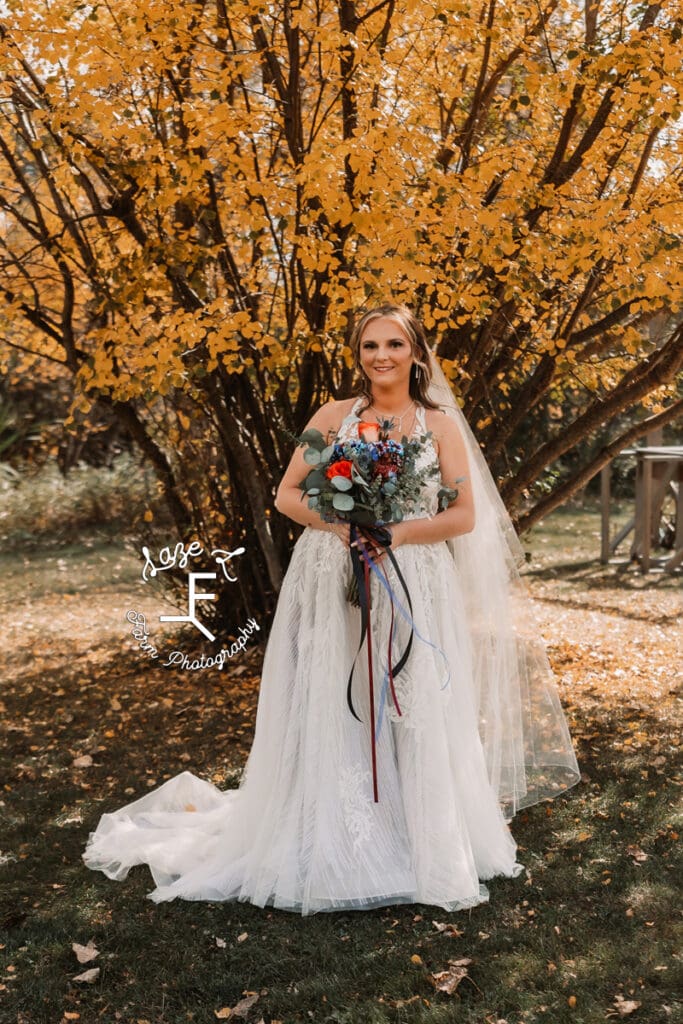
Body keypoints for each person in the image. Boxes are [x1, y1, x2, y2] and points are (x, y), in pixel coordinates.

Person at [82, 302, 580, 915]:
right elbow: (287, 495)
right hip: (331, 571)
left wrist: (392, 532)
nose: (381, 357)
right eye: (370, 346)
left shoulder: (438, 424)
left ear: (416, 353)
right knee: (338, 694)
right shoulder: (334, 417)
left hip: (412, 575)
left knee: (407, 696)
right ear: (358, 355)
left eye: (394, 344)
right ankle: (336, 834)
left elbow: (463, 516)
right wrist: (346, 527)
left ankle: (420, 838)